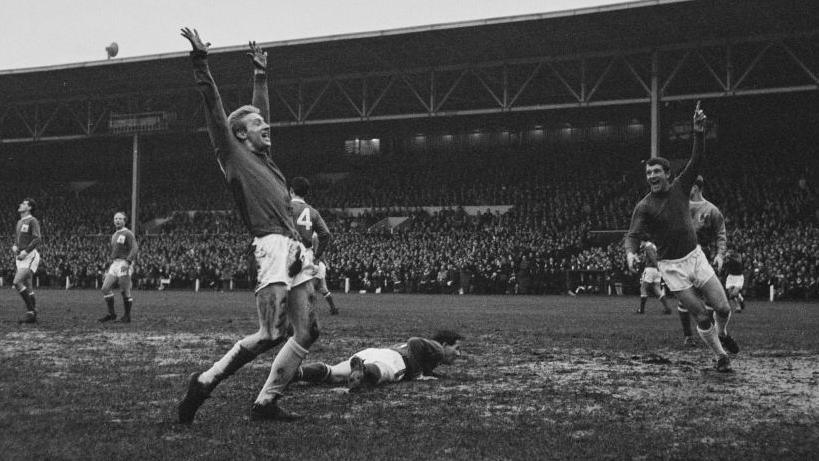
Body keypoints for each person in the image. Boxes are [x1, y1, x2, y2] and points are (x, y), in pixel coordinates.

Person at [177, 30, 312, 424]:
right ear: (239, 134)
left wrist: (260, 76)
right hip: (270, 245)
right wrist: (201, 63)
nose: (266, 126)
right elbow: (215, 107)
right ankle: (203, 381)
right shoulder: (232, 153)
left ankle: (266, 402)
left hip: (295, 248)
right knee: (271, 333)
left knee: (307, 331)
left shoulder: (266, 158)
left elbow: (257, 112)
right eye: (258, 124)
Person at [625, 102, 737, 372]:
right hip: (671, 266)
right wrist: (630, 252)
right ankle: (721, 356)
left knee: (722, 308)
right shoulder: (644, 206)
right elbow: (633, 234)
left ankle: (722, 333)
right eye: (648, 173)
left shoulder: (680, 187)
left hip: (695, 257)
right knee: (700, 312)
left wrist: (699, 132)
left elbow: (696, 160)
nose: (652, 175)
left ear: (667, 175)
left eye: (656, 171)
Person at [293, 330, 463, 391]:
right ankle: (364, 371)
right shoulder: (438, 349)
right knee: (381, 371)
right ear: (445, 344)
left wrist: (429, 373)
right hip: (396, 360)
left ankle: (297, 373)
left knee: (333, 374)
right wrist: (418, 376)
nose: (459, 354)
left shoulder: (431, 355)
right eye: (457, 348)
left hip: (375, 352)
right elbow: (415, 341)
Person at [677, 175, 731, 347]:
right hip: (683, 257)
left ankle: (716, 335)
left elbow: (720, 235)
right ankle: (688, 336)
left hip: (705, 258)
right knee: (684, 299)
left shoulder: (712, 210)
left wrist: (720, 255)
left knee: (711, 300)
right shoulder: (679, 207)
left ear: (696, 187)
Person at [288, 176, 338, 315]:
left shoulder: (285, 208)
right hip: (307, 255)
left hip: (288, 252)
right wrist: (316, 255)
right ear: (306, 193)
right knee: (305, 290)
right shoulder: (313, 212)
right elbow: (326, 234)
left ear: (291, 190)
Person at [98, 212, 138, 323]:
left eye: (120, 218)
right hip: (115, 264)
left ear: (125, 220)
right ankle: (112, 314)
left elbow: (134, 248)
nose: (117, 220)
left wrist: (128, 262)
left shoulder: (128, 233)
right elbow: (115, 251)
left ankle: (127, 316)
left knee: (124, 290)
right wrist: (109, 265)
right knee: (105, 288)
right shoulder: (114, 235)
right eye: (115, 218)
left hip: (124, 263)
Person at [12, 198, 41, 324]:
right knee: (28, 286)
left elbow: (37, 238)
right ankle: (33, 316)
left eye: (23, 204)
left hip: (29, 256)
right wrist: (15, 246)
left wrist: (26, 251)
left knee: (17, 282)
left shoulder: (32, 221)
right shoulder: (19, 222)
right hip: (20, 257)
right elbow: (18, 240)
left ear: (29, 208)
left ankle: (30, 312)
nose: (20, 204)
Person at [636, 241, 673, 315]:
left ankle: (641, 310)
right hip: (656, 271)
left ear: (644, 241)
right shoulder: (654, 246)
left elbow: (652, 258)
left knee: (643, 288)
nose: (640, 244)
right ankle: (667, 308)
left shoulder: (648, 247)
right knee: (657, 289)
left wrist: (657, 266)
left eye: (641, 242)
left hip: (650, 269)